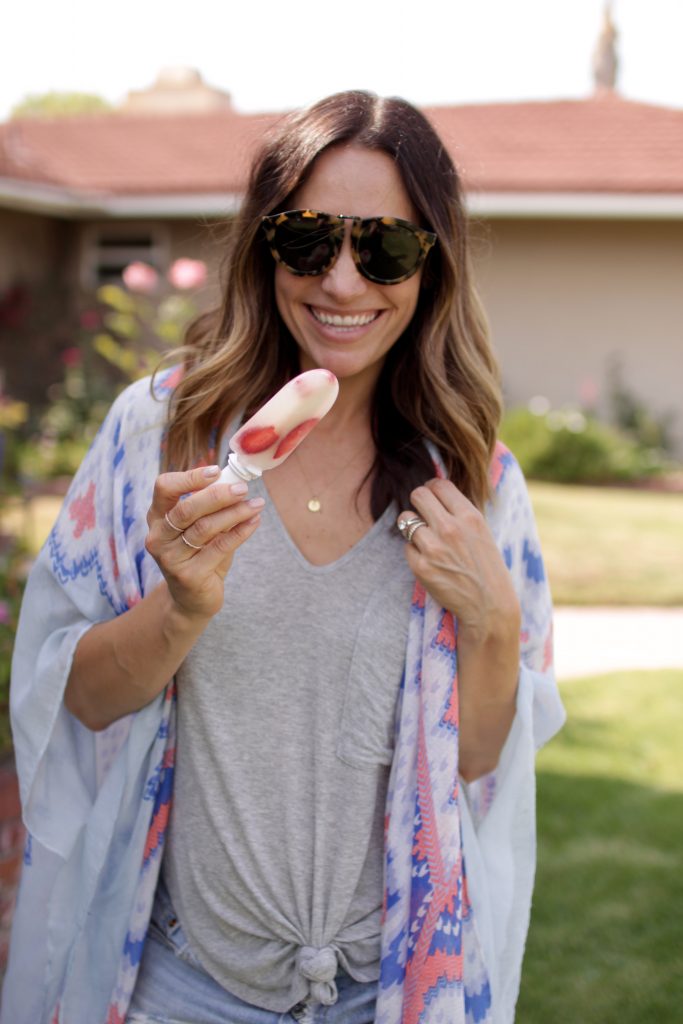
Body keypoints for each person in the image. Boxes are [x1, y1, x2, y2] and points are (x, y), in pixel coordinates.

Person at [2, 91, 565, 1024]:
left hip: (381, 994)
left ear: (431, 265)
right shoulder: (162, 434)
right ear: (267, 247)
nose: (342, 283)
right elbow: (80, 696)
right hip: (176, 989)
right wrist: (178, 608)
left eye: (384, 246)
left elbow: (475, 761)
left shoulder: (470, 477)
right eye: (309, 239)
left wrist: (494, 619)